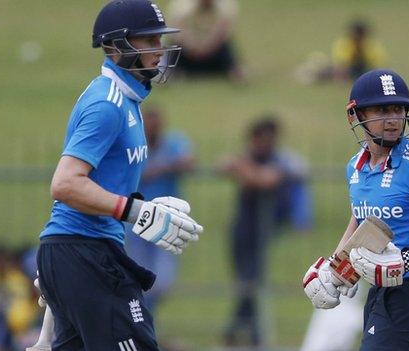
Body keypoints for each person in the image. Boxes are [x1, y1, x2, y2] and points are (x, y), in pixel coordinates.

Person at [35, 1, 203, 350]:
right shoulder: (106, 104)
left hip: (81, 252)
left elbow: (102, 184)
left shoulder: (127, 102)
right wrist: (134, 211)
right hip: (85, 252)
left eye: (159, 41)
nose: (159, 51)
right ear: (115, 47)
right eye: (149, 41)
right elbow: (65, 184)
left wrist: (143, 204)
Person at [302, 69, 409, 350]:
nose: (393, 119)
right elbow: (362, 221)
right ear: (356, 115)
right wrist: (337, 268)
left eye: (398, 110)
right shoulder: (355, 167)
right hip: (381, 292)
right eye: (382, 110)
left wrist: (407, 261)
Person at [217, 116, 307, 347]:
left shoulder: (278, 160)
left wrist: (245, 170)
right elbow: (223, 165)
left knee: (251, 281)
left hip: (263, 230)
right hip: (242, 228)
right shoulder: (250, 157)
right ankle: (242, 331)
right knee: (246, 281)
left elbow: (267, 180)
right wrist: (246, 170)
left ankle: (242, 331)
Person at [124, 107, 195, 312]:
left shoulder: (173, 143)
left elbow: (189, 161)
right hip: (138, 222)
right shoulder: (134, 147)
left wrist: (163, 168)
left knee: (163, 279)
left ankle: (148, 312)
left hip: (167, 221)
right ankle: (145, 318)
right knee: (140, 275)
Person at [169, 0, 244, 81]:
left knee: (226, 45)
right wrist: (193, 46)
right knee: (176, 45)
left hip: (213, 51)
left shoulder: (224, 6)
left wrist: (205, 47)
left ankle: (235, 72)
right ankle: (172, 73)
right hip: (189, 52)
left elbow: (223, 32)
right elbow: (179, 31)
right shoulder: (183, 5)